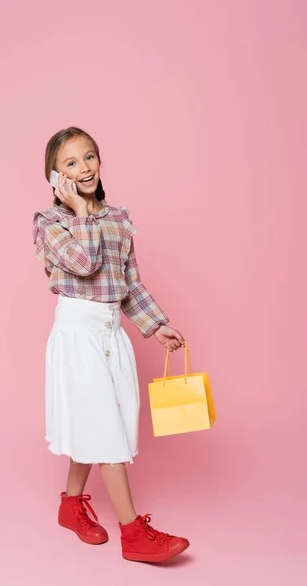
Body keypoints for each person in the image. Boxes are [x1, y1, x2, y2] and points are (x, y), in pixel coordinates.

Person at [32, 126, 190, 563]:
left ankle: (70, 505)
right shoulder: (50, 223)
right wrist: (80, 210)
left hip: (111, 334)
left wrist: (156, 325)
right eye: (70, 162)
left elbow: (128, 284)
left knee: (101, 421)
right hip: (77, 336)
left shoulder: (119, 218)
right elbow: (85, 263)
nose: (83, 167)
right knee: (105, 430)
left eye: (90, 157)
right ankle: (133, 533)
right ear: (54, 176)